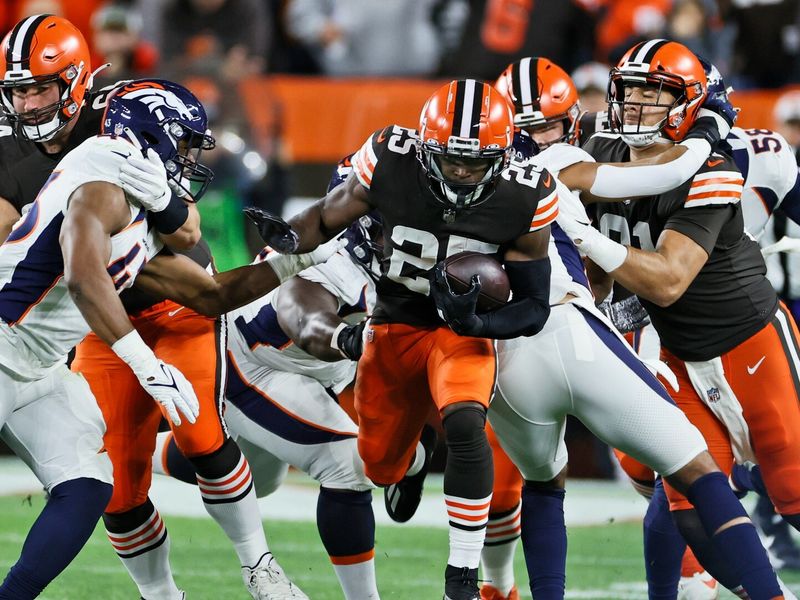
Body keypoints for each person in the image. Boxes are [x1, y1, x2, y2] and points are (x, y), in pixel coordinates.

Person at [0, 15, 309, 600]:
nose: (28, 103)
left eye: (40, 87)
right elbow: (86, 274)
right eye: (18, 90)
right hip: (68, 328)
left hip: (66, 346)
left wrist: (300, 260)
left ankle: (252, 567)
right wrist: (143, 361)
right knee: (117, 485)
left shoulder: (121, 136)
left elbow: (198, 266)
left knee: (96, 482)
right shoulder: (101, 178)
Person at [246, 78, 558, 600]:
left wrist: (476, 324)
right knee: (377, 464)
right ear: (423, 147)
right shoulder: (391, 161)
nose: (460, 171)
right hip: (393, 323)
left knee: (466, 419)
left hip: (460, 328)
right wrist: (288, 238)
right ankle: (412, 460)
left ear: (504, 157)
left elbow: (534, 306)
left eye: (475, 162)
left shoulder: (526, 193)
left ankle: (461, 576)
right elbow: (324, 218)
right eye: (450, 159)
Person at [554, 38, 800, 599]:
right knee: (687, 493)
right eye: (630, 91)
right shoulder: (597, 150)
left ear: (688, 103)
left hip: (750, 343)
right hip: (677, 353)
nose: (637, 105)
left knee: (792, 492)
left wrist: (586, 234)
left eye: (654, 93)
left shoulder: (712, 165)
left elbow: (668, 277)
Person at [152, 158, 395, 600]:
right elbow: (303, 319)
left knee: (260, 482)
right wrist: (350, 339)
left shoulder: (399, 254)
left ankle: (133, 455)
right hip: (251, 365)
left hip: (298, 376)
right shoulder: (330, 251)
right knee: (347, 464)